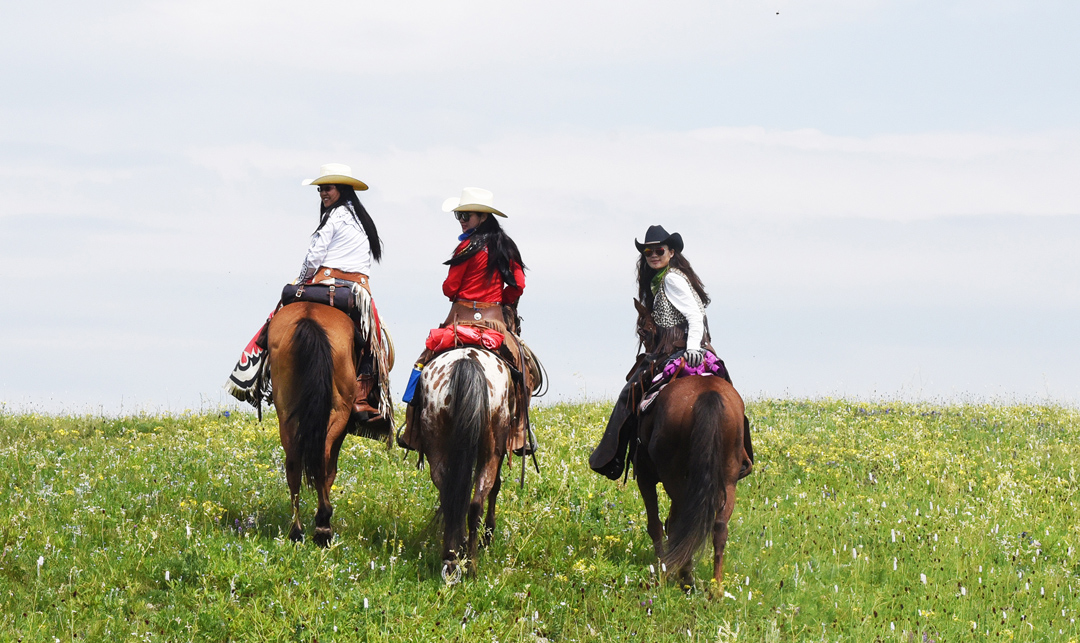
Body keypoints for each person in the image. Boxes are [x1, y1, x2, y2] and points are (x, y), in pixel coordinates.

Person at [227, 163, 391, 429]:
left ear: (342, 189)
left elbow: (314, 256)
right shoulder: (362, 219)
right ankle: (364, 395)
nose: (323, 194)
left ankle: (252, 375)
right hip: (357, 291)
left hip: (324, 282)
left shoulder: (334, 217)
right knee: (375, 342)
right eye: (320, 189)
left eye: (327, 188)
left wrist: (302, 280)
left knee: (276, 316)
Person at [589, 224, 752, 480]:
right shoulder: (663, 279)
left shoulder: (672, 278)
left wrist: (691, 350)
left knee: (629, 392)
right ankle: (742, 454)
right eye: (648, 252)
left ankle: (612, 458)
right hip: (686, 346)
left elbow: (695, 316)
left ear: (671, 252)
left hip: (678, 347)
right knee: (727, 389)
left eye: (659, 250)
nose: (653, 255)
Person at [397, 187, 537, 455]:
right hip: (494, 323)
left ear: (483, 217)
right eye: (459, 214)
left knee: (422, 363)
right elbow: (518, 285)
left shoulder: (465, 247)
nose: (461, 219)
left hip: (458, 322)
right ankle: (519, 433)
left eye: (466, 214)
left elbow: (450, 289)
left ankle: (413, 431)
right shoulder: (507, 247)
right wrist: (499, 300)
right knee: (523, 369)